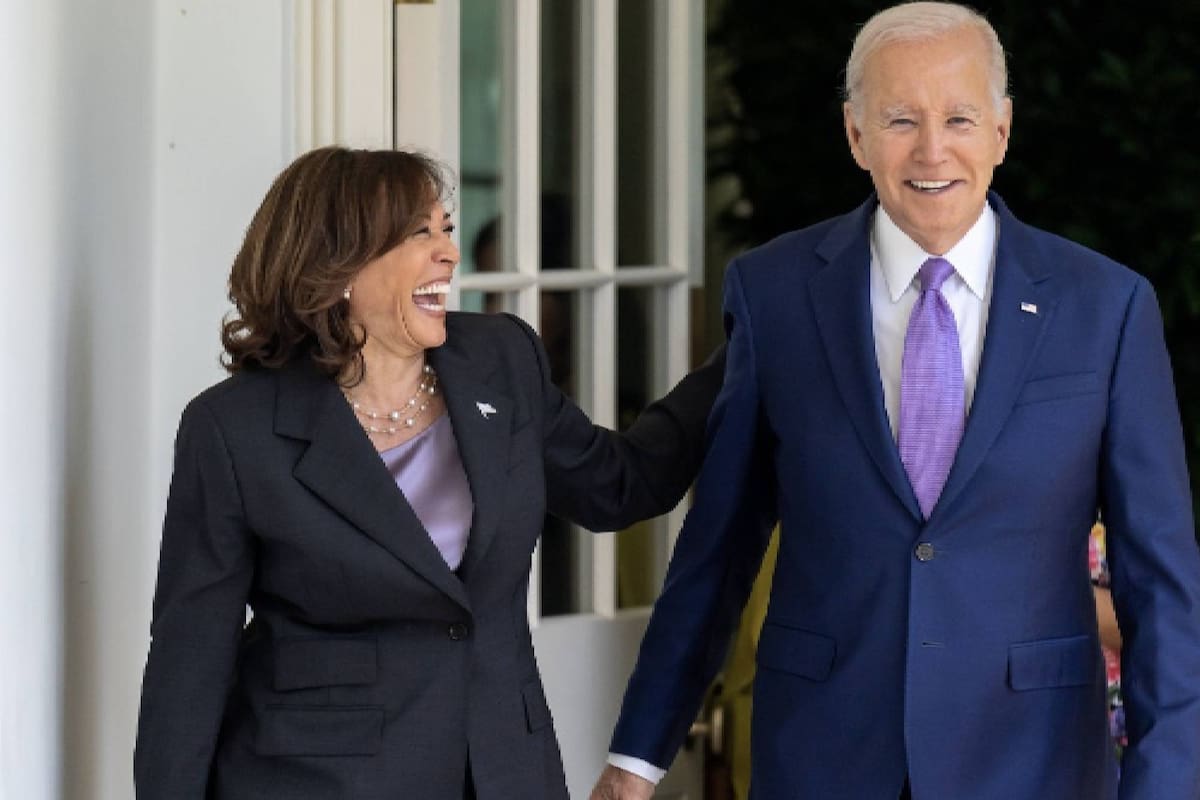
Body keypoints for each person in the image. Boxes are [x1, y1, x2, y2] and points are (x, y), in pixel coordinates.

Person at [591, 3, 1200, 799]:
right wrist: (638, 760)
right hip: (823, 756)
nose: (932, 150)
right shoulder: (775, 294)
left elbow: (1161, 584)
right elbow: (719, 546)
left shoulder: (1106, 308)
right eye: (901, 120)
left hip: (1031, 762)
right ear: (855, 135)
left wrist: (1165, 784)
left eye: (959, 118)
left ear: (1002, 131)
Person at [133, 146, 722, 799]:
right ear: (339, 267)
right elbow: (191, 657)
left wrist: (754, 346)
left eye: (446, 229)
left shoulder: (501, 360)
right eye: (421, 233)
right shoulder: (233, 429)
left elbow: (620, 484)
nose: (449, 252)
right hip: (317, 781)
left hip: (503, 773)